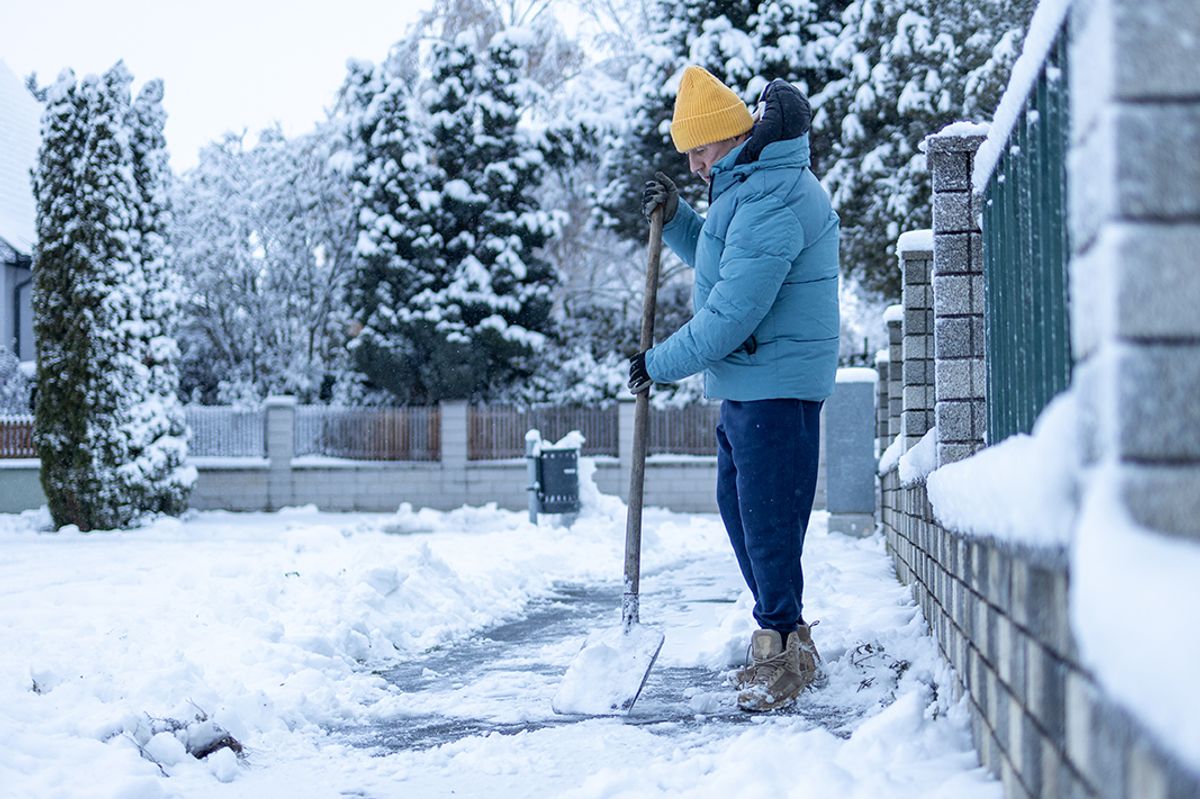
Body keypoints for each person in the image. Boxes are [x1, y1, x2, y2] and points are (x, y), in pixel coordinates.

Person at [631, 66, 840, 712]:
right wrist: (678, 219)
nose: (695, 165)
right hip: (755, 380)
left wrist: (656, 362)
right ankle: (790, 632)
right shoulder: (749, 189)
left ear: (730, 137)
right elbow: (723, 257)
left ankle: (777, 651)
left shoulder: (771, 198)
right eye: (688, 155)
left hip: (773, 384)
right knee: (744, 508)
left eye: (700, 150)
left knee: (767, 520)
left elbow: (731, 314)